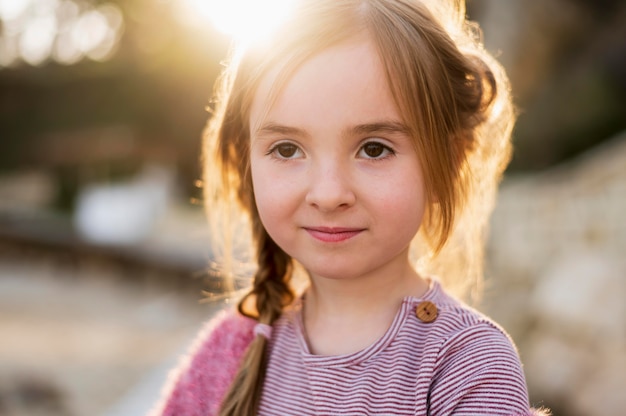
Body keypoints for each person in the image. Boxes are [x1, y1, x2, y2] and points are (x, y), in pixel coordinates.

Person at [152, 0, 550, 414]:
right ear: (247, 161)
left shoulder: (464, 366)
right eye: (287, 149)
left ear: (447, 163)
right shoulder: (228, 353)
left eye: (374, 148)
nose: (328, 194)